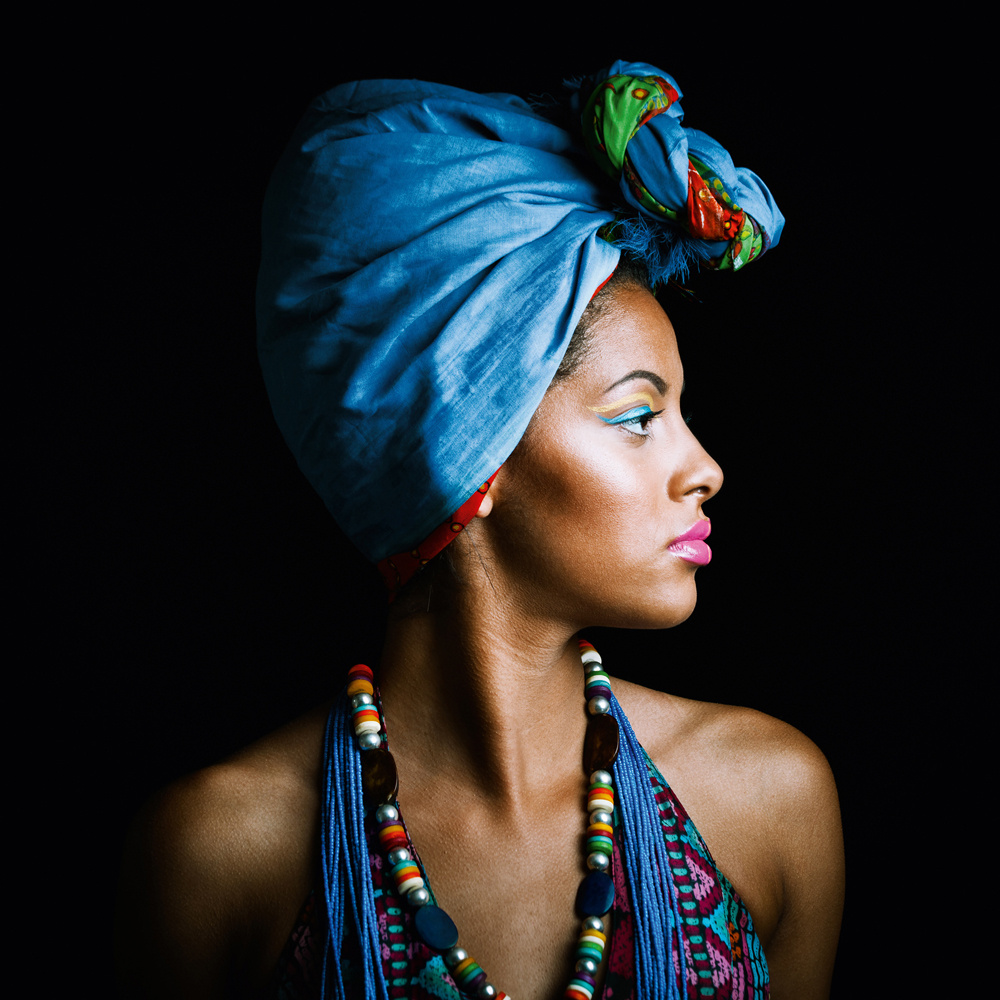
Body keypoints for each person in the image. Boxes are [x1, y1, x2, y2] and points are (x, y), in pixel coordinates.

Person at [116, 61, 844, 999]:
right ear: (473, 455)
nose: (705, 469)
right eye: (637, 416)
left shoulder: (768, 801)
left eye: (681, 415)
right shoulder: (222, 858)